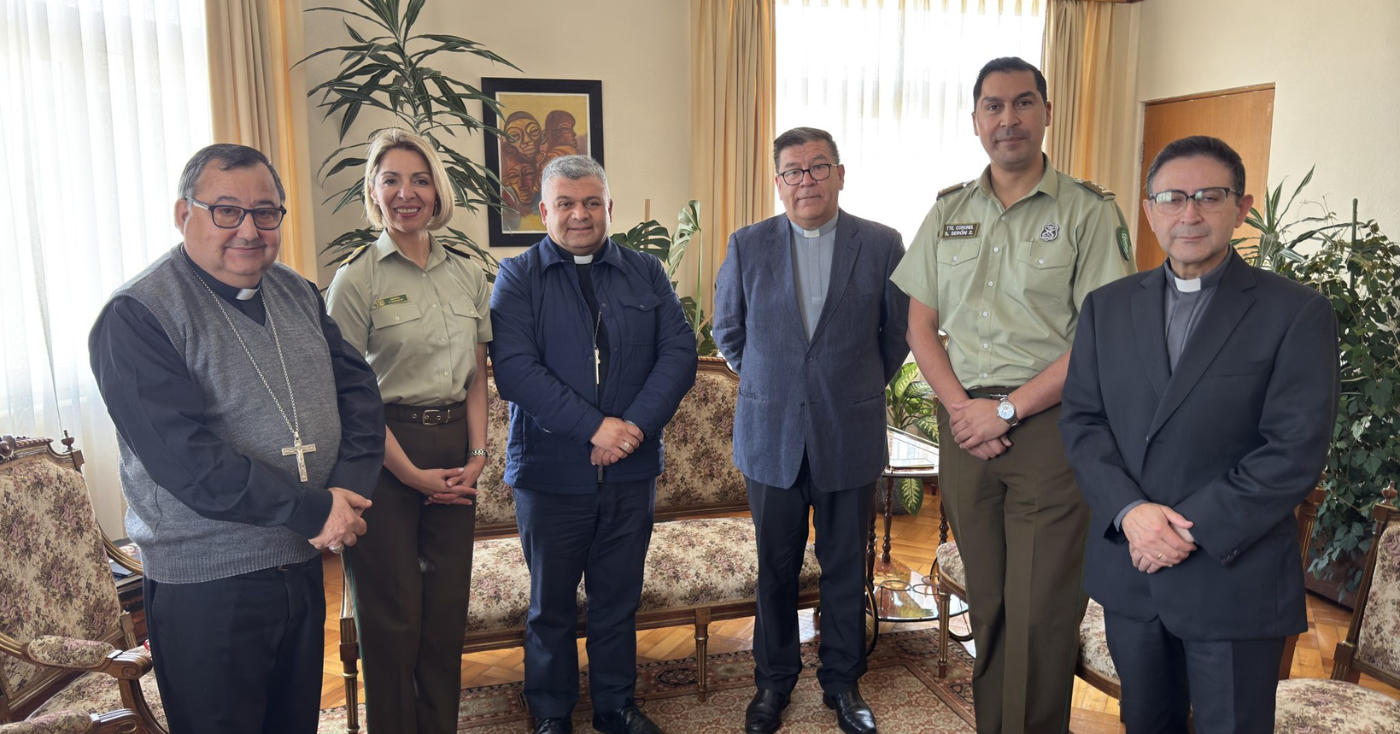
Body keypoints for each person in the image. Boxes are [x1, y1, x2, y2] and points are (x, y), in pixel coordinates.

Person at [88, 144, 384, 734]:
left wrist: (343, 493)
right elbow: (187, 461)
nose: (249, 229)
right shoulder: (137, 314)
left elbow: (359, 392)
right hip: (208, 582)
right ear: (184, 213)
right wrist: (313, 510)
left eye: (266, 212)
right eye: (226, 210)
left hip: (300, 559)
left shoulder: (297, 291)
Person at [1059, 136, 1338, 733]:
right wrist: (1133, 513)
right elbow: (1084, 423)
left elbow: (1293, 451)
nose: (1190, 214)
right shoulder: (1105, 309)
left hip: (1232, 577)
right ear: (1148, 208)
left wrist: (1183, 531)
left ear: (1242, 207)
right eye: (1173, 198)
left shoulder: (1295, 312)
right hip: (1133, 571)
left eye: (1210, 197)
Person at [890, 57, 1135, 734]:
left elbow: (1098, 337)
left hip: (1052, 429)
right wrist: (965, 411)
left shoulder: (1087, 212)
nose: (1008, 119)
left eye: (1023, 103)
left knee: (1040, 608)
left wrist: (1006, 409)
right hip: (966, 427)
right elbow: (919, 324)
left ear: (1047, 113)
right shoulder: (948, 213)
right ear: (975, 121)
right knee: (991, 601)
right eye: (993, 107)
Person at [489, 155, 698, 734]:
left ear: (609, 207)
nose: (579, 214)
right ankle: (552, 713)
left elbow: (679, 355)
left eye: (590, 203)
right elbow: (516, 370)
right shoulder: (518, 276)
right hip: (549, 474)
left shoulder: (647, 273)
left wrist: (628, 430)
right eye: (565, 203)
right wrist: (595, 428)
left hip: (630, 473)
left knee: (617, 601)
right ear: (543, 211)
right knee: (549, 606)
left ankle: (615, 706)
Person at [713, 126, 909, 734]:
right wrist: (780, 382)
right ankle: (772, 683)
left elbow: (896, 338)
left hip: (848, 430)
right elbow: (728, 331)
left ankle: (842, 682)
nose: (807, 180)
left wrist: (841, 384)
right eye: (793, 171)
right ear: (777, 183)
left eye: (818, 167)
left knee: (846, 565)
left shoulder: (881, 244)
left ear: (841, 174)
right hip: (770, 435)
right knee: (775, 565)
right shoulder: (748, 245)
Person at [325, 128, 491, 734]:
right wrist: (412, 475)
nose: (406, 193)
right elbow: (349, 396)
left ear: (437, 189)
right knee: (393, 620)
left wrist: (477, 454)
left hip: (454, 450)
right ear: (373, 191)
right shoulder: (356, 279)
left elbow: (478, 376)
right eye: (391, 180)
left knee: (445, 614)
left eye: (420, 179)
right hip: (383, 455)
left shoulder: (467, 274)